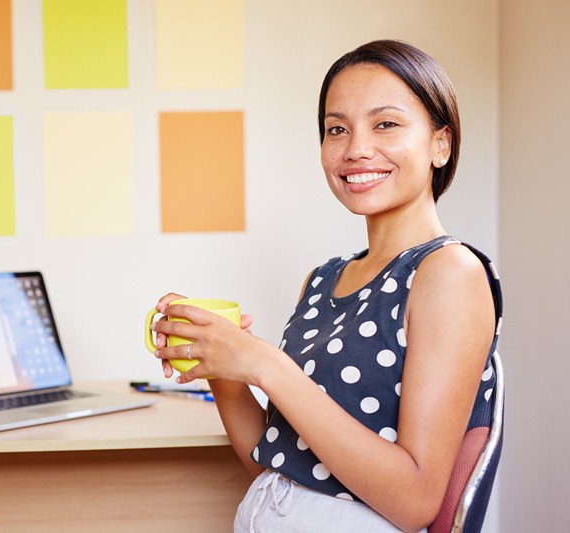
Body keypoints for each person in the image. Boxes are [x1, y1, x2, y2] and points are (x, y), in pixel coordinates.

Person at [150, 40, 502, 533]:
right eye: (337, 129)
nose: (356, 147)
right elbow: (282, 467)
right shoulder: (322, 280)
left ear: (440, 144)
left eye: (385, 124)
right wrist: (223, 367)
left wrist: (266, 364)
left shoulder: (449, 272)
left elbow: (416, 499)